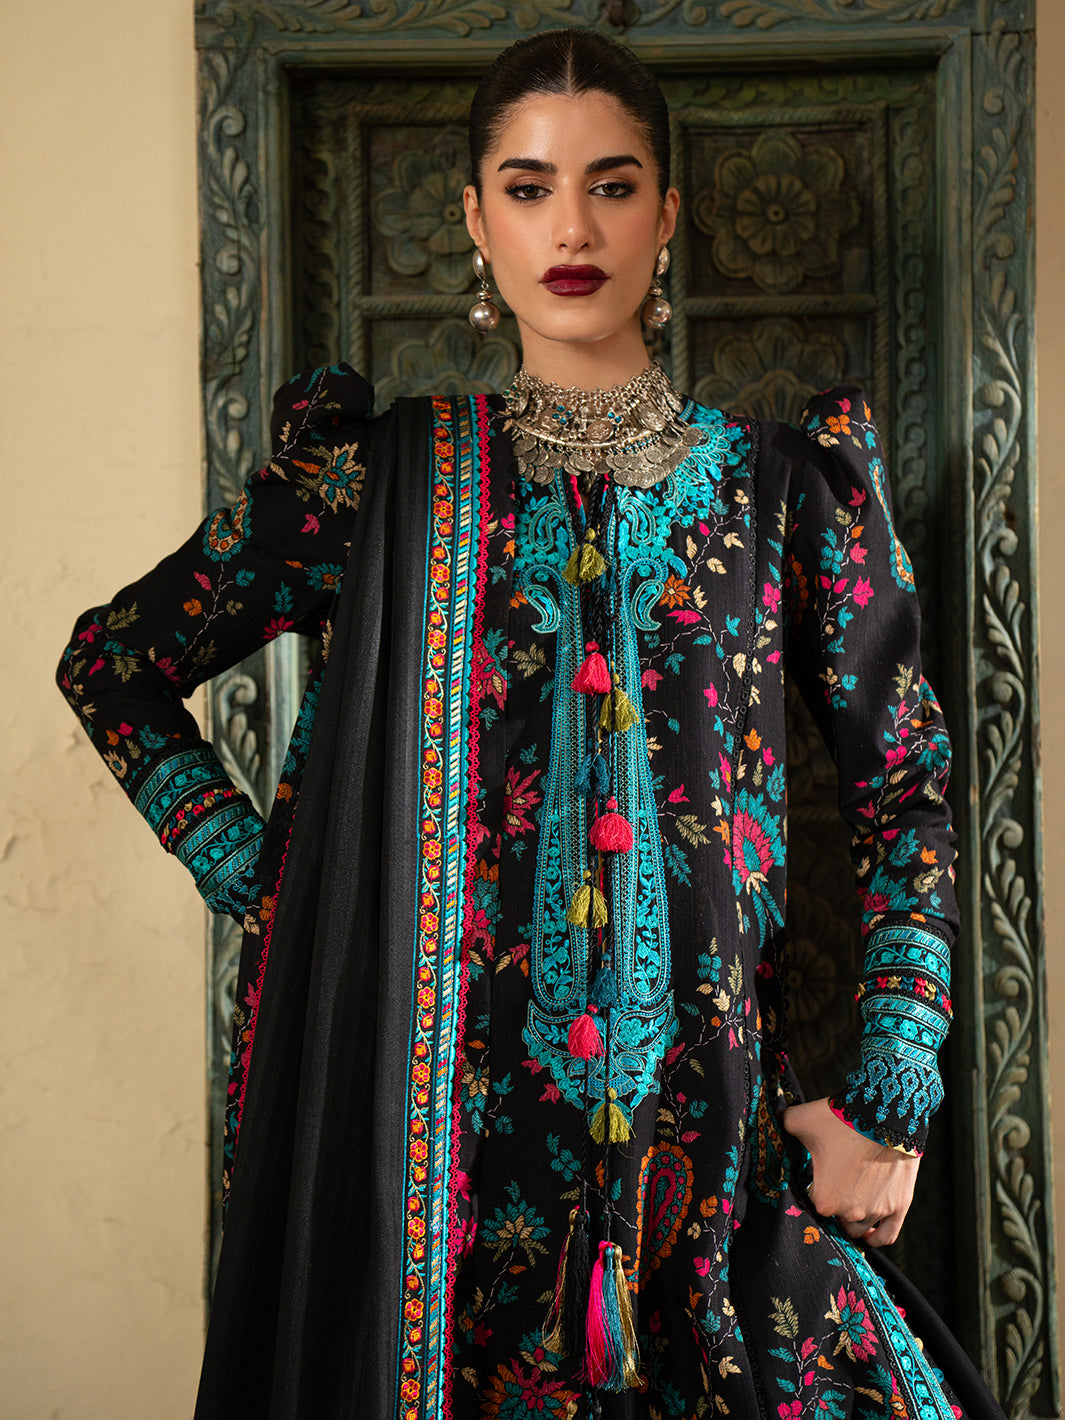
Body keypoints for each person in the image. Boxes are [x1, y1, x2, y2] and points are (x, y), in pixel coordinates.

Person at [57, 27, 1006, 1420]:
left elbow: (905, 784)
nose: (572, 229)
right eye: (528, 187)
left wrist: (892, 1086)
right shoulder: (382, 485)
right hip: (433, 1171)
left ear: (667, 215)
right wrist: (269, 884)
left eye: (612, 186)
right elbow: (114, 662)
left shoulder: (781, 494)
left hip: (718, 1161)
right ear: (473, 218)